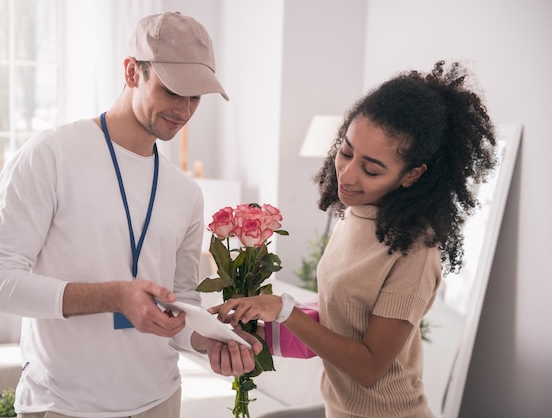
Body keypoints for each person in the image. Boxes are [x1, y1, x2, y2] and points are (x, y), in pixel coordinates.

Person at [0, 11, 261, 418]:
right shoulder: (51, 155)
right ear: (131, 72)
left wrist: (208, 341)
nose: (184, 109)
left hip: (160, 401)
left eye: (196, 96)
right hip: (61, 406)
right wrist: (113, 297)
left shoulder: (186, 193)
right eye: (172, 90)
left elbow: (182, 306)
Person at [212, 60, 497, 417]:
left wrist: (284, 310)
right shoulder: (354, 214)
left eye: (371, 168)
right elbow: (339, 318)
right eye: (346, 152)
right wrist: (256, 327)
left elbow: (368, 368)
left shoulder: (414, 250)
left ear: (411, 175)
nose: (346, 174)